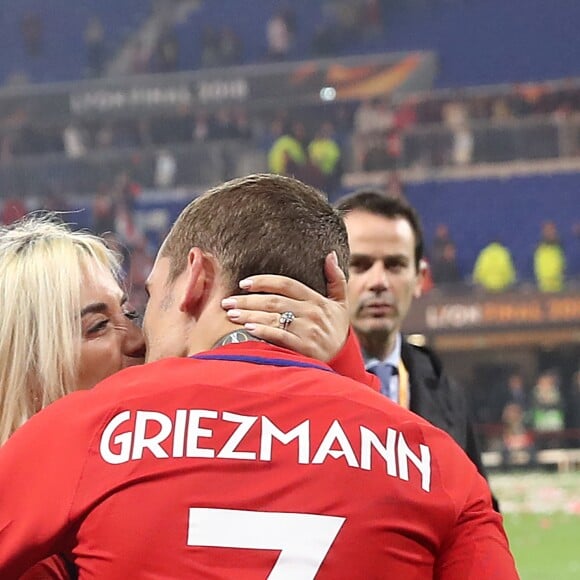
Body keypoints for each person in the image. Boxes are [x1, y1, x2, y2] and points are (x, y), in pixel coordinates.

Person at [0, 174, 517, 578]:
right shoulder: (436, 460)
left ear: (194, 281)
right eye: (98, 325)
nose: (138, 339)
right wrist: (344, 369)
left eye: (143, 303)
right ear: (24, 355)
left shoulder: (83, 434)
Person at [0, 213, 371, 579]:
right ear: (25, 364)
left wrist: (336, 355)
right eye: (97, 327)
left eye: (130, 313)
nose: (137, 339)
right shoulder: (33, 558)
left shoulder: (151, 460)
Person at [331, 190, 497, 508]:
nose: (378, 282)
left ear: (420, 278)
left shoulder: (445, 391)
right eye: (360, 265)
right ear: (331, 274)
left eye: (394, 265)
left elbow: (481, 514)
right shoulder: (297, 378)